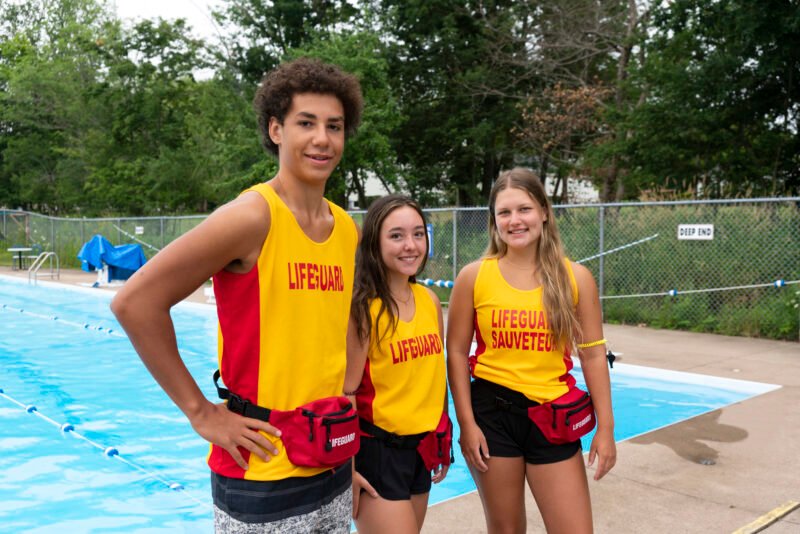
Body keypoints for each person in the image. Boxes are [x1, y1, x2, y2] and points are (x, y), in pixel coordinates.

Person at [110, 57, 364, 533]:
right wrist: (201, 412)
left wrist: (348, 401)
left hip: (329, 457)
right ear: (275, 129)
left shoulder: (345, 227)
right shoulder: (252, 217)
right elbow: (135, 302)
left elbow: (332, 327)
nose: (322, 139)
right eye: (305, 123)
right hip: (261, 468)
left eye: (334, 126)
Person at [446, 167, 616, 533]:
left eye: (523, 209)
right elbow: (457, 352)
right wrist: (467, 424)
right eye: (504, 212)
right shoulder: (474, 276)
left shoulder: (575, 278)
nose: (515, 220)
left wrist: (606, 427)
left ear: (543, 211)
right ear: (494, 221)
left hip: (552, 417)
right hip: (493, 415)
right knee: (506, 530)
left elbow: (591, 354)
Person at [344, 195, 449, 533]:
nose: (411, 245)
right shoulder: (362, 310)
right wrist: (347, 467)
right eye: (397, 236)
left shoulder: (429, 300)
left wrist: (441, 438)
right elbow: (344, 394)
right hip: (377, 455)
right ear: (375, 242)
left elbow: (434, 375)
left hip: (421, 451)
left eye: (418, 234)